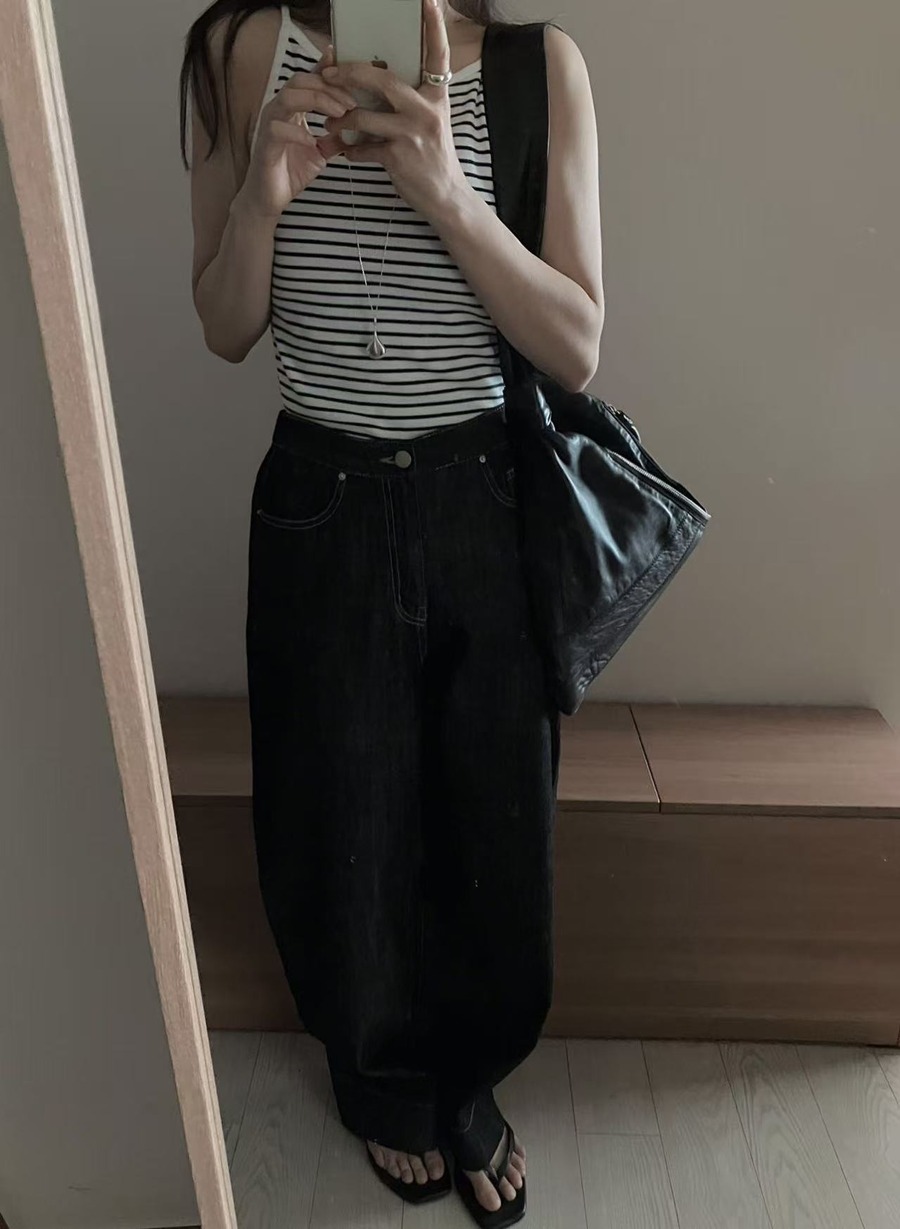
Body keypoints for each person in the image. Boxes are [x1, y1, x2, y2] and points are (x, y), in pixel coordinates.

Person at [180, 1, 603, 1222]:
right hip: (323, 495)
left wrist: (445, 190)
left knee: (495, 821)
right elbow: (223, 326)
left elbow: (576, 342)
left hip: (486, 494)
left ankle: (469, 1079)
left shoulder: (535, 67)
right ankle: (377, 1078)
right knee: (339, 821)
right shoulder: (237, 50)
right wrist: (263, 195)